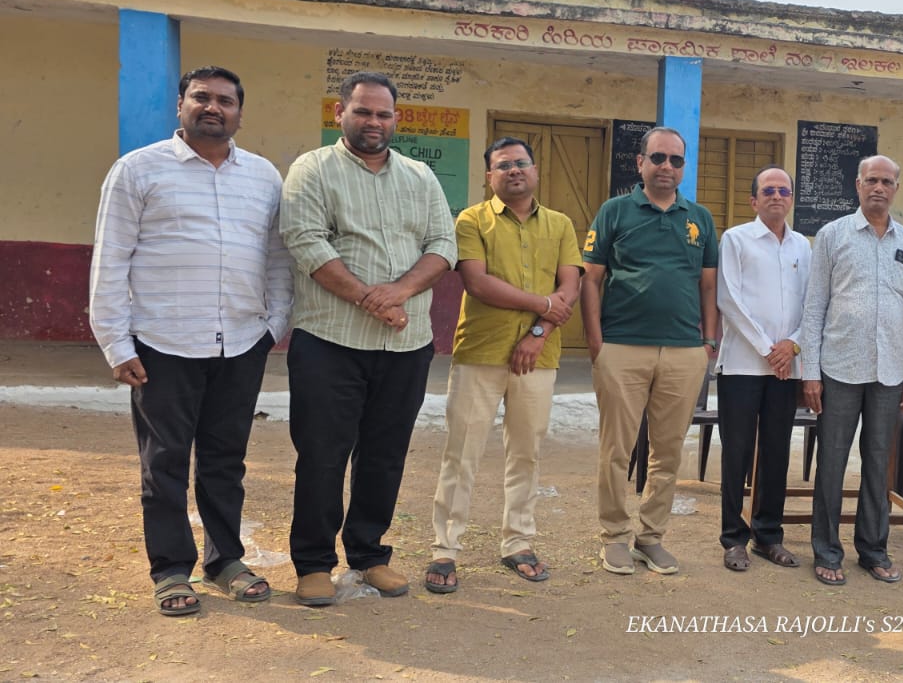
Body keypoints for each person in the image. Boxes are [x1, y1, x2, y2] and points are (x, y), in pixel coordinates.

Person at [89, 66, 290, 616]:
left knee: (226, 459)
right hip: (162, 341)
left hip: (241, 341)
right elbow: (111, 260)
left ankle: (225, 560)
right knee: (166, 461)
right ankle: (172, 569)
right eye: (201, 97)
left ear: (239, 113)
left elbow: (276, 257)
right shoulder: (137, 170)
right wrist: (116, 342)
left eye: (225, 100)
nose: (213, 107)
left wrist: (274, 324)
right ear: (180, 104)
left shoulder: (264, 176)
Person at [279, 71, 456, 606]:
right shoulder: (312, 169)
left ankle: (369, 554)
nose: (373, 122)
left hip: (405, 346)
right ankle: (313, 563)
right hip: (330, 341)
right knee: (322, 454)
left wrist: (398, 292)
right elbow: (304, 242)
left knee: (385, 455)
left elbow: (443, 243)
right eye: (362, 112)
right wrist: (369, 299)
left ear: (396, 119)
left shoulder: (420, 176)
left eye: (383, 114)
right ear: (340, 114)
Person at [424, 137, 582, 593]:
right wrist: (545, 304)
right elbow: (478, 283)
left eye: (522, 163)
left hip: (540, 356)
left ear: (535, 172)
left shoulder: (560, 224)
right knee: (463, 451)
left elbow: (569, 285)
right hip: (481, 351)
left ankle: (518, 542)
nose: (515, 170)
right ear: (488, 177)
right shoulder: (471, 220)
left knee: (526, 452)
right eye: (504, 165)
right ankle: (445, 548)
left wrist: (538, 332)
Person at [583, 126, 718, 576]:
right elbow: (591, 279)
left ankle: (651, 537)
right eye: (657, 158)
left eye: (675, 160)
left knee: (668, 452)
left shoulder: (698, 217)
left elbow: (708, 284)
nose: (666, 167)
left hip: (683, 352)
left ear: (683, 167)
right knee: (616, 450)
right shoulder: (614, 212)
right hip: (621, 348)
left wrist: (708, 342)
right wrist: (596, 342)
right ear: (639, 163)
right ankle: (614, 536)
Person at [800, 154, 903, 586]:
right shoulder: (833, 236)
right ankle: (827, 551)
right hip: (839, 367)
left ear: (895, 188)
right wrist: (809, 372)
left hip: (889, 371)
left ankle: (873, 549)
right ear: (857, 185)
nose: (879, 188)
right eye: (871, 180)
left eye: (887, 181)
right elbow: (814, 306)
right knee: (831, 462)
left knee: (877, 464)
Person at [714, 165, 810, 572]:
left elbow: (813, 303)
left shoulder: (803, 246)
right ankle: (733, 538)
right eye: (767, 190)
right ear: (754, 201)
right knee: (737, 452)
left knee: (775, 451)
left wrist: (792, 345)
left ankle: (768, 535)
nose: (776, 196)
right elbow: (728, 299)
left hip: (786, 368)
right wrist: (769, 348)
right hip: (741, 364)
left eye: (783, 190)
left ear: (791, 199)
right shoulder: (736, 239)